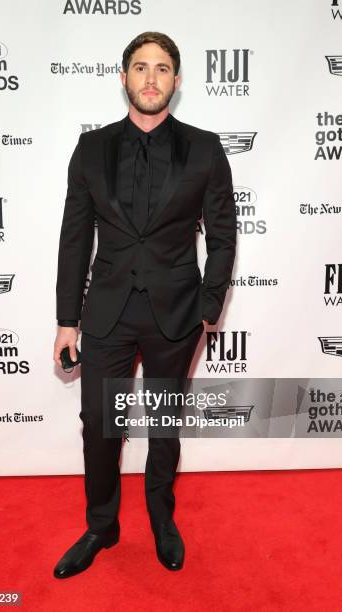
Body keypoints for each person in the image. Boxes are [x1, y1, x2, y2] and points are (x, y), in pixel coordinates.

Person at [52, 31, 237, 578]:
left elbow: (223, 234)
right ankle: (101, 527)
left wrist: (210, 305)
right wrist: (67, 321)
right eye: (140, 67)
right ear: (124, 77)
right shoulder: (91, 149)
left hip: (176, 313)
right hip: (106, 312)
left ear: (176, 82)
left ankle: (162, 519)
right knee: (100, 425)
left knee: (163, 424)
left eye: (162, 68)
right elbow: (74, 237)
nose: (150, 77)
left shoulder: (204, 148)